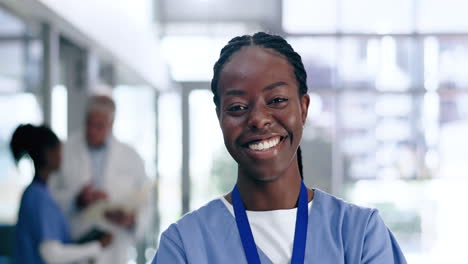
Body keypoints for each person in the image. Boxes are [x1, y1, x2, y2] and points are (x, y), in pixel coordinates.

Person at [152, 32, 407, 263]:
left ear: (304, 108)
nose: (258, 119)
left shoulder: (360, 235)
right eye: (238, 107)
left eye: (277, 100)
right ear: (220, 118)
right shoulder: (185, 245)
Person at [49, 95, 152, 264]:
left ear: (111, 125)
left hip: (115, 249)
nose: (91, 130)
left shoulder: (131, 157)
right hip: (75, 246)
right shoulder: (64, 151)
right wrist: (77, 200)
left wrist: (132, 220)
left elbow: (146, 205)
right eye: (89, 123)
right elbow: (50, 197)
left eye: (99, 126)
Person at [10, 124, 112, 264]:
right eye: (59, 149)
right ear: (48, 152)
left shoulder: (37, 193)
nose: (61, 155)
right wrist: (95, 247)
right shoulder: (38, 197)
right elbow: (51, 255)